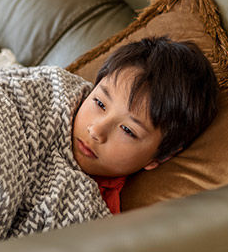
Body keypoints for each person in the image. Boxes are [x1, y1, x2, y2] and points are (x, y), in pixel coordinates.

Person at [71, 36, 218, 213]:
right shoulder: (57, 98)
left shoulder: (93, 211)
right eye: (100, 104)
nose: (96, 131)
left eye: (127, 130)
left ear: (159, 157)